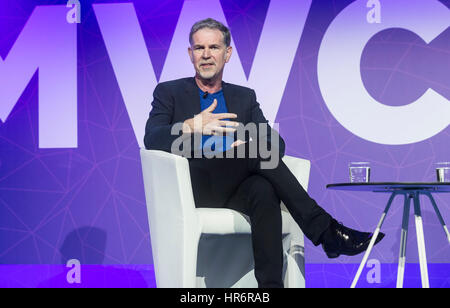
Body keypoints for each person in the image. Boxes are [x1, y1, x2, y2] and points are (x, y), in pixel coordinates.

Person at [144, 18, 384, 288]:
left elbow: (276, 145)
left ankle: (270, 287)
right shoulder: (170, 92)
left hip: (237, 185)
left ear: (228, 53)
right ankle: (325, 230)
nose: (207, 55)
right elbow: (152, 138)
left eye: (214, 47)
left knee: (263, 189)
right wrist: (190, 126)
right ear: (191, 54)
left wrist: (242, 144)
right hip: (197, 185)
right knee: (256, 153)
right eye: (199, 48)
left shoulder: (244, 97)